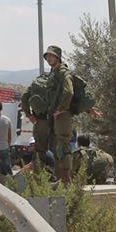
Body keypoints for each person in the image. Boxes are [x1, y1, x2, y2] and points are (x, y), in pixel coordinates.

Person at [26, 45, 74, 183]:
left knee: (61, 148)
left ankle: (64, 181)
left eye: (51, 56)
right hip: (52, 117)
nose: (48, 58)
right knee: (55, 150)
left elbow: (69, 92)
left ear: (58, 57)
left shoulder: (63, 73)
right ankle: (53, 182)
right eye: (47, 56)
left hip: (60, 117)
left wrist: (61, 108)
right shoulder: (54, 74)